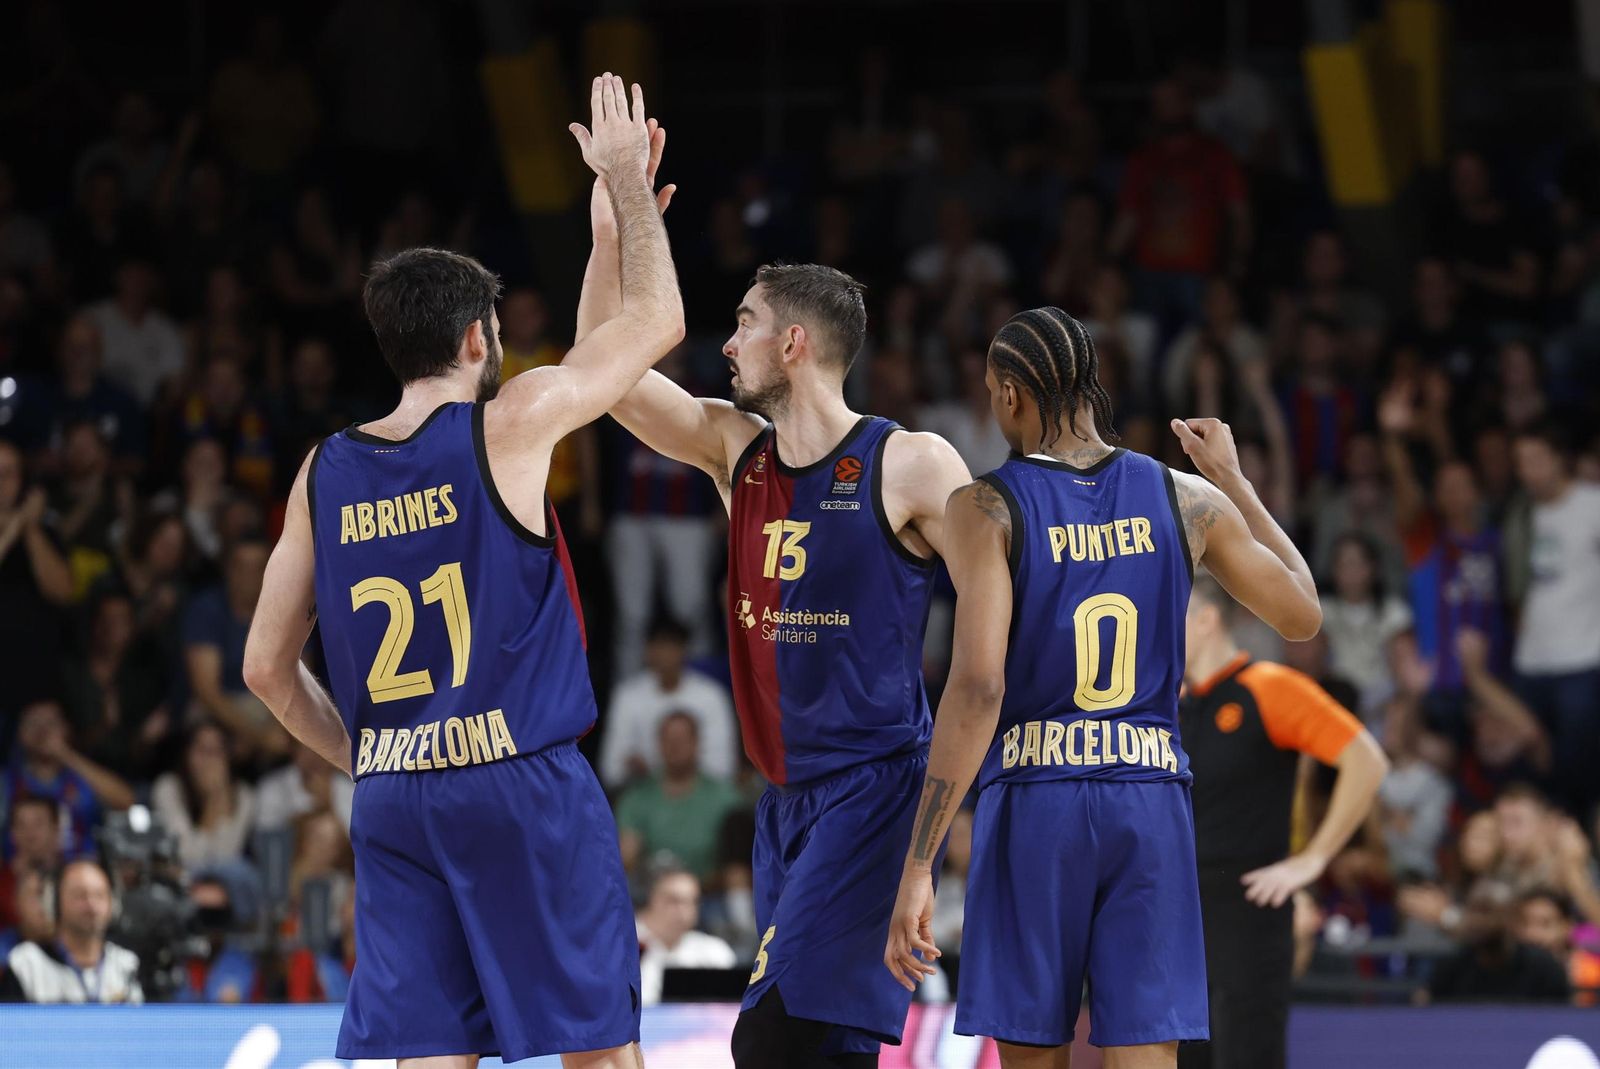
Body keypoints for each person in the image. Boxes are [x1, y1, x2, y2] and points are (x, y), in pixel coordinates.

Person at [242, 74, 682, 1069]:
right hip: (517, 780)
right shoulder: (510, 424)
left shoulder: (324, 469)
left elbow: (266, 668)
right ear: (479, 338)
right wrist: (620, 188)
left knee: (429, 1055)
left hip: (396, 794)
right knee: (597, 1046)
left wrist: (371, 757)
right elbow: (652, 325)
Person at [594, 146, 971, 1064]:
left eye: (744, 322)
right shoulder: (739, 454)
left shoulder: (908, 462)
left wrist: (942, 832)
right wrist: (613, 228)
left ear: (793, 343)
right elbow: (602, 376)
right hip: (783, 800)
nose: (726, 342)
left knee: (769, 1037)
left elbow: (1011, 613)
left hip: (875, 789)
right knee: (825, 1046)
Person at [885, 305, 1323, 1069]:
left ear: (1012, 396)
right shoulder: (1185, 497)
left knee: (1031, 1053)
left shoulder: (984, 505)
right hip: (1148, 799)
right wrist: (1234, 481)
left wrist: (920, 861)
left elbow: (980, 684)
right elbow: (1301, 612)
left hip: (1035, 798)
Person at [1176, 573, 1388, 1069]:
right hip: (1179, 914)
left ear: (1207, 620)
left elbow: (1367, 761)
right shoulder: (1169, 702)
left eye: (1169, 613)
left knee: (1245, 1052)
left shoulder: (1268, 687)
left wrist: (1312, 860)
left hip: (1250, 909)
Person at [1510, 423, 1600, 817]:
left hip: (1582, 656)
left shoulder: (1591, 503)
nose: (1527, 470)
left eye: (1536, 460)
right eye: (1521, 462)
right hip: (1530, 660)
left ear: (1559, 459)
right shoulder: (1520, 514)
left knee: (1577, 768)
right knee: (1533, 769)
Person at [600, 616, 738, 789]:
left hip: (702, 795)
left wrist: (676, 772)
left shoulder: (712, 695)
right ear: (647, 650)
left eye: (671, 646)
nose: (665, 654)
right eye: (658, 645)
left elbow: (723, 768)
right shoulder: (627, 695)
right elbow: (611, 769)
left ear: (684, 650)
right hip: (645, 795)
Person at [615, 711, 743, 882]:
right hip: (652, 895)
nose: (675, 746)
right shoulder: (637, 797)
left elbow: (738, 862)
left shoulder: (725, 797)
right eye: (668, 740)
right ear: (658, 744)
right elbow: (627, 854)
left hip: (711, 894)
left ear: (697, 743)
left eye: (682, 739)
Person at [1, 700, 134, 858]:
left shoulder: (83, 777)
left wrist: (65, 753)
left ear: (66, 729)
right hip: (19, 873)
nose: (42, 730)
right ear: (20, 732)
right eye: (33, 722)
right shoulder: (6, 782)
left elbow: (126, 801)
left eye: (51, 723)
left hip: (81, 871)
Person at [0, 859, 142, 1003]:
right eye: (80, 896)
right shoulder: (26, 964)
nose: (91, 906)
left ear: (114, 904)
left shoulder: (126, 965)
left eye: (99, 895)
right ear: (54, 903)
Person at [1428, 878, 1570, 1003]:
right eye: (1473, 911)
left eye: (1487, 912)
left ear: (1511, 918)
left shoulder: (1545, 969)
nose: (1478, 921)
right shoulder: (1450, 969)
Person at [150, 721, 257, 870]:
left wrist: (219, 796)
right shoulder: (168, 788)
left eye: (216, 751)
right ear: (186, 754)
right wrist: (212, 801)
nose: (209, 761)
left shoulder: (243, 795)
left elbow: (227, 858)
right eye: (202, 750)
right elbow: (187, 857)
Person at [635, 866, 738, 1006]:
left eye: (693, 902)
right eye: (674, 901)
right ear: (650, 899)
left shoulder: (714, 951)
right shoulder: (622, 946)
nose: (684, 911)